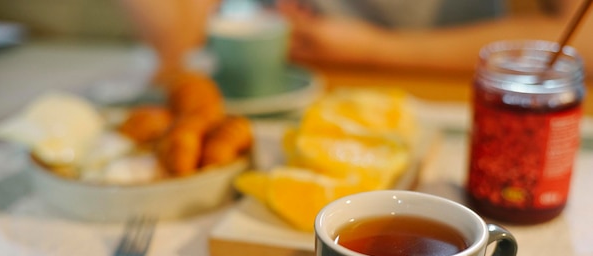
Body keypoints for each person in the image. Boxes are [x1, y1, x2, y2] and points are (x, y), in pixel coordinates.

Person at [118, 0, 593, 83]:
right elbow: (177, 46)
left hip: (454, 89)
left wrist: (371, 47)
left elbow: (583, 40)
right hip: (295, 85)